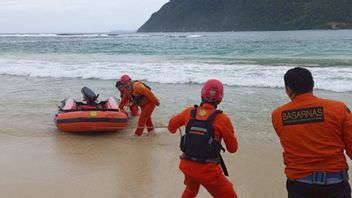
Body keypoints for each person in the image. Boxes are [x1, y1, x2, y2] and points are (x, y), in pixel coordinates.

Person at [271, 67, 352, 198]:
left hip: (299, 185)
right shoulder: (339, 109)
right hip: (335, 183)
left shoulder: (278, 115)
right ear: (312, 85)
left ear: (289, 89)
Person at [168, 79, 238, 198]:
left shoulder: (189, 112)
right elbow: (232, 148)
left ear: (202, 94)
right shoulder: (222, 119)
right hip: (209, 172)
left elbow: (171, 126)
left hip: (187, 166)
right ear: (220, 99)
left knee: (191, 190)